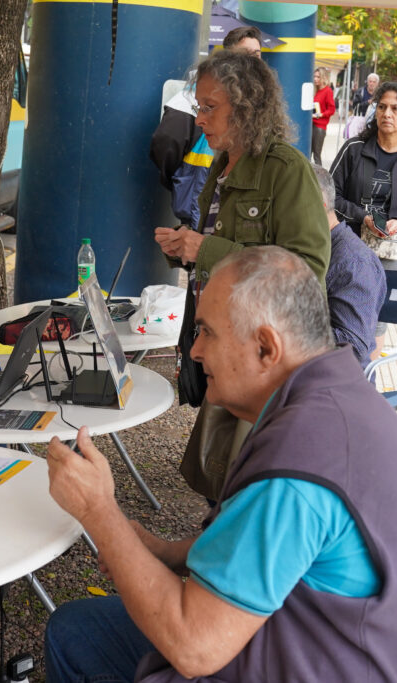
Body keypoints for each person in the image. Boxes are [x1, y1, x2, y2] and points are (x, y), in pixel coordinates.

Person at [43, 246, 397, 683]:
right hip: (320, 649)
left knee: (79, 636)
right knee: (76, 630)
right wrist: (160, 551)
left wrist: (99, 512)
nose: (194, 351)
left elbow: (194, 647)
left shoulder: (300, 463)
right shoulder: (339, 399)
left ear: (266, 346)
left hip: (296, 660)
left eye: (207, 332)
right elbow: (263, 546)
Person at [153, 48, 330, 500]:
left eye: (209, 107)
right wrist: (186, 250)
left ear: (246, 106)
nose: (199, 119)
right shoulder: (222, 164)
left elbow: (307, 270)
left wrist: (205, 248)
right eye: (199, 107)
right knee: (224, 484)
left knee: (248, 486)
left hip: (263, 364)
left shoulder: (285, 169)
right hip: (227, 352)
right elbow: (229, 252)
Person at [330, 81, 397, 359]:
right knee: (347, 313)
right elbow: (329, 196)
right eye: (381, 107)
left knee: (378, 321)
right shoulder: (353, 149)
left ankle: (367, 380)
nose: (387, 113)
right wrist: (361, 216)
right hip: (351, 249)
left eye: (395, 108)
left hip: (396, 254)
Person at [147, 26, 262, 228]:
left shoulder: (257, 98)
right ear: (228, 57)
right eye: (246, 54)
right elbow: (166, 140)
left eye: (257, 54)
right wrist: (181, 178)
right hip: (200, 208)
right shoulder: (200, 91)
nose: (253, 61)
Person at [311, 164, 386, 368]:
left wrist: (286, 332)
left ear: (318, 203)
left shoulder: (354, 263)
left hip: (335, 387)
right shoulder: (318, 247)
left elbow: (352, 347)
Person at [311, 67, 336, 166]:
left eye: (318, 77)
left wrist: (322, 114)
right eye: (314, 76)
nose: (315, 79)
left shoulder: (328, 91)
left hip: (320, 127)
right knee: (308, 153)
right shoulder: (315, 90)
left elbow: (332, 109)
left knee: (316, 155)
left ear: (323, 77)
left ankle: (320, 180)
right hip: (311, 124)